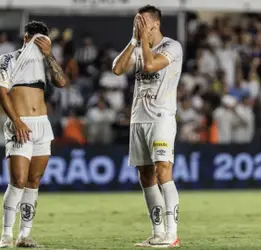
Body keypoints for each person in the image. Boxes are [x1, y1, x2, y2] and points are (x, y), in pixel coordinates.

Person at [112, 5, 183, 248]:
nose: (138, 26)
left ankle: (172, 234)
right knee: (145, 176)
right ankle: (157, 232)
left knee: (163, 170)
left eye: (142, 22)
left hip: (161, 117)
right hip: (138, 118)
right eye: (136, 22)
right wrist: (134, 41)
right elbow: (117, 69)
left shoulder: (172, 46)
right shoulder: (138, 46)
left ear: (155, 24)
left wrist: (142, 42)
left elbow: (151, 66)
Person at [0, 21, 68, 248]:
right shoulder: (8, 59)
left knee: (34, 181)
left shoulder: (44, 62)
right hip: (21, 124)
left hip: (42, 126)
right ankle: (6, 234)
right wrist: (16, 121)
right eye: (35, 40)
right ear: (26, 38)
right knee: (18, 181)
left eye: (43, 41)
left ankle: (24, 235)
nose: (38, 45)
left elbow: (62, 82)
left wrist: (50, 55)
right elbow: (0, 92)